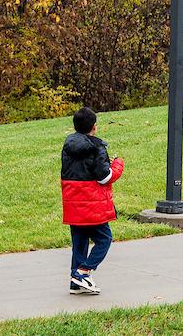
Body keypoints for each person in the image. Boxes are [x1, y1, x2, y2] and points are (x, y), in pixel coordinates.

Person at [61, 107, 125, 295]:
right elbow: (104, 177)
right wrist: (117, 165)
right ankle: (83, 272)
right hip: (92, 204)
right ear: (94, 127)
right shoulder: (97, 148)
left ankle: (75, 283)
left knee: (79, 243)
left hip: (73, 203)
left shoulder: (68, 146)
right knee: (104, 239)